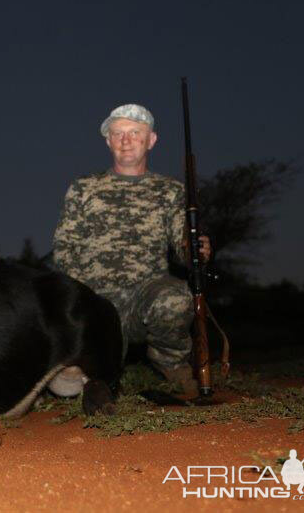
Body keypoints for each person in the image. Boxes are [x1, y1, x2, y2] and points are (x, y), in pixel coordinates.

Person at [53, 104, 211, 394]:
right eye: (118, 133)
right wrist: (83, 301)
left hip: (145, 297)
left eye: (135, 133)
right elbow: (65, 249)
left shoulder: (171, 190)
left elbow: (182, 242)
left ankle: (171, 363)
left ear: (150, 140)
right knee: (67, 388)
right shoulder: (84, 188)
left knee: (175, 299)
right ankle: (85, 357)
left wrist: (195, 250)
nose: (126, 140)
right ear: (108, 141)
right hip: (96, 302)